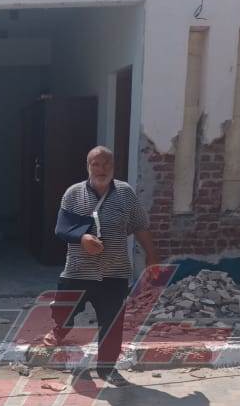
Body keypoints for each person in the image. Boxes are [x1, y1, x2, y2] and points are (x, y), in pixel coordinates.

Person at [45, 146, 158, 387]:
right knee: (64, 309)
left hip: (114, 272)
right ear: (88, 167)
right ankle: (60, 330)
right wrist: (83, 238)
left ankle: (107, 369)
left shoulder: (125, 193)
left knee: (112, 323)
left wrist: (151, 256)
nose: (101, 169)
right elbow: (61, 228)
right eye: (96, 164)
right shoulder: (73, 194)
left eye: (106, 164)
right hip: (78, 270)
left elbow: (140, 225)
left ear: (113, 167)